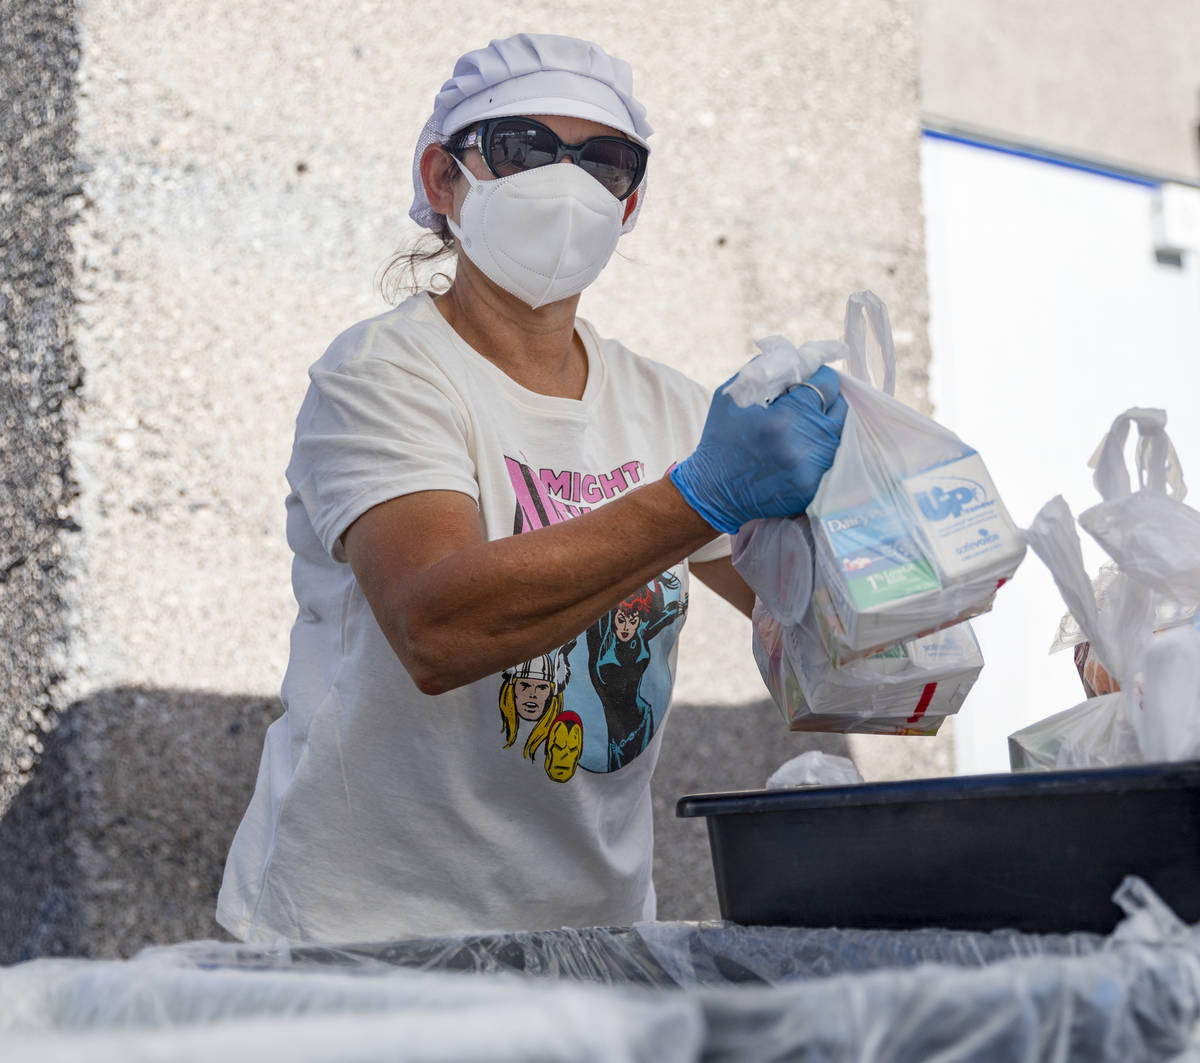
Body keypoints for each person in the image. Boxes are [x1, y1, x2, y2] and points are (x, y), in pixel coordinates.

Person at [216, 32, 847, 945]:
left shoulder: (663, 405)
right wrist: (700, 497)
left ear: (629, 205)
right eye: (523, 147)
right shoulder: (384, 375)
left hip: (591, 940)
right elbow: (440, 628)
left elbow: (825, 647)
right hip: (359, 939)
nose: (566, 183)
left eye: (604, 161)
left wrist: (899, 541)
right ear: (444, 178)